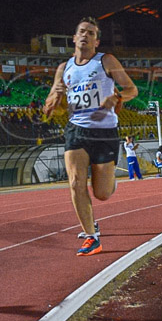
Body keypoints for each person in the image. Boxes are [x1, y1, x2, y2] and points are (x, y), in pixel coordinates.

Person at [42, 17, 138, 256]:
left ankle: (108, 181)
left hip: (104, 131)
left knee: (102, 193)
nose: (85, 35)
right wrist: (54, 103)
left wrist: (116, 98)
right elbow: (55, 106)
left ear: (97, 41)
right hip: (76, 129)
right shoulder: (63, 69)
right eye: (82, 31)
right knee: (75, 183)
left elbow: (132, 89)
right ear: (74, 38)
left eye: (91, 33)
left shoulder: (106, 61)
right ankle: (91, 236)